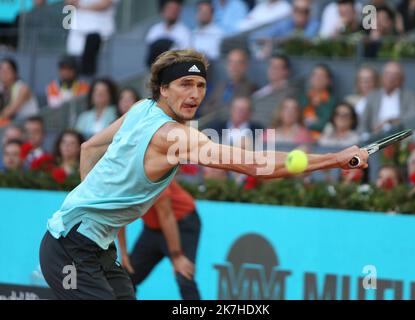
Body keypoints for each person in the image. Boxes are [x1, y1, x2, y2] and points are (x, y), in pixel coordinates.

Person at [39, 49, 369, 300]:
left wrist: (92, 211)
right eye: (185, 84)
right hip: (71, 248)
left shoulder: (141, 108)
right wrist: (333, 159)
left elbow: (89, 149)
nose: (195, 94)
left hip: (91, 243)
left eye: (200, 85)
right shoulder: (176, 137)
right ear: (163, 90)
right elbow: (255, 165)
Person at [117, 179, 201, 300]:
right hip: (152, 229)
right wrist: (124, 253)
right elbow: (119, 215)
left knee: (183, 276)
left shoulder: (152, 175)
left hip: (182, 224)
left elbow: (166, 215)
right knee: (126, 278)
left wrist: (176, 256)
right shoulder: (120, 179)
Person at [359, 61, 415, 136]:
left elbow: (414, 118)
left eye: (395, 75)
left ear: (401, 79)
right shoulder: (372, 96)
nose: (391, 78)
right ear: (382, 77)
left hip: (401, 136)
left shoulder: (409, 96)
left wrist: (391, 122)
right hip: (376, 138)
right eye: (388, 74)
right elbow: (363, 124)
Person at [201, 48, 257, 117]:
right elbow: (204, 109)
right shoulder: (220, 86)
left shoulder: (251, 88)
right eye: (231, 62)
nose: (234, 66)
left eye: (238, 63)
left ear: (245, 66)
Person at [298, 63, 336, 139]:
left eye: (322, 76)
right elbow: (297, 120)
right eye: (315, 75)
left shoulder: (331, 100)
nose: (318, 78)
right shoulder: (302, 97)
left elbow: (327, 123)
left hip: (323, 140)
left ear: (328, 80)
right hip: (300, 138)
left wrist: (320, 105)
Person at [0, 58, 39, 123]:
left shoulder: (23, 88)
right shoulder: (1, 87)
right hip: (12, 126)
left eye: (7, 70)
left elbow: (10, 111)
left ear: (15, 73)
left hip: (29, 125)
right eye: (1, 69)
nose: (3, 73)